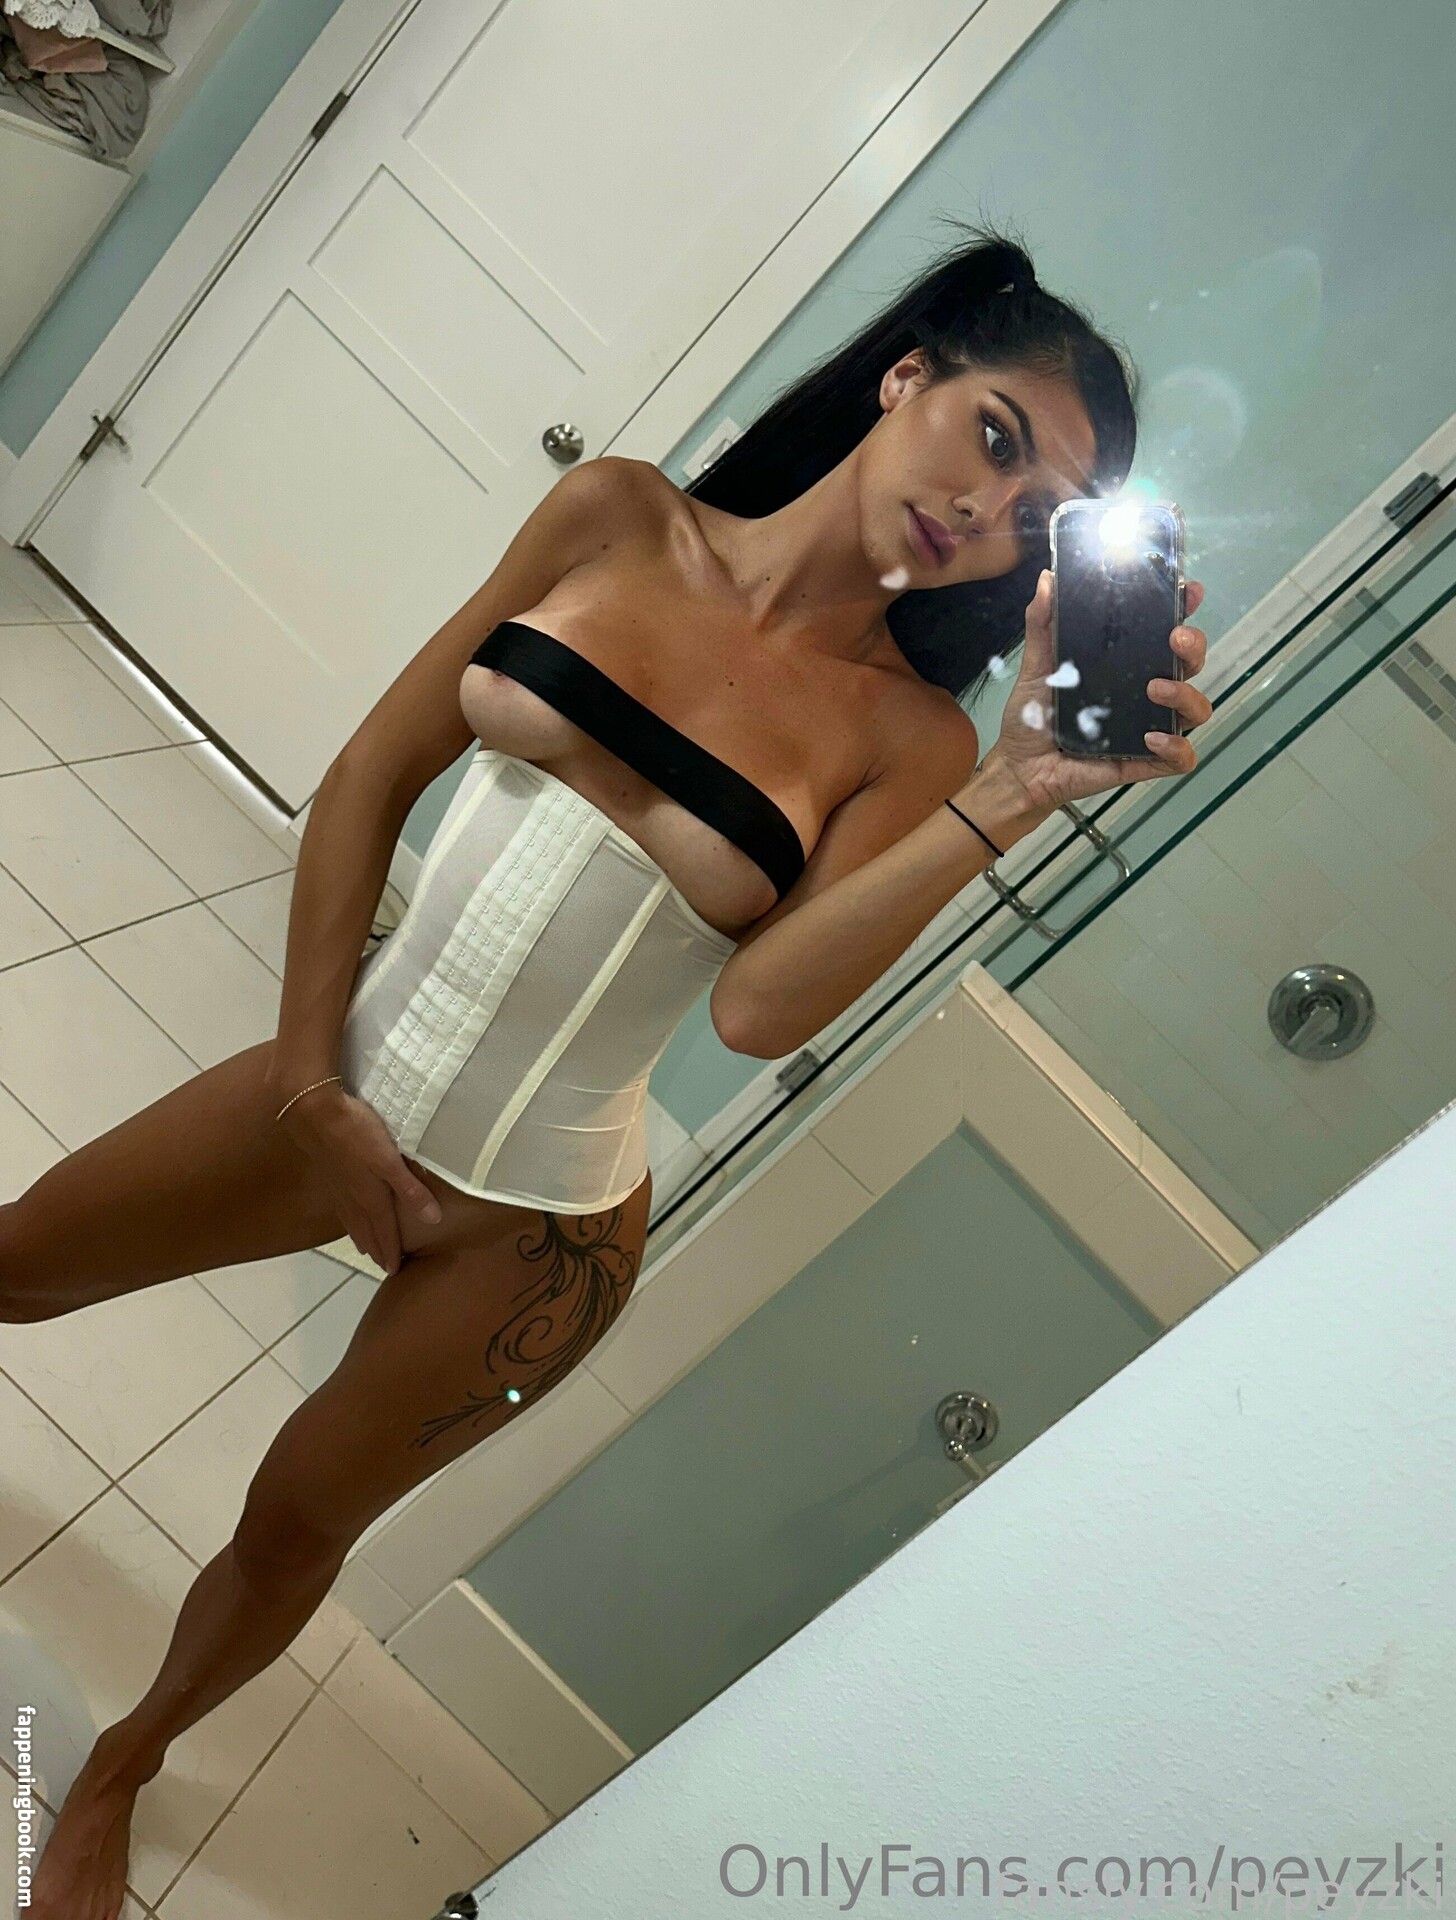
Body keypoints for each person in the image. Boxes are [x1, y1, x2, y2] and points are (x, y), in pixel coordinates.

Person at [7, 223, 1211, 1918]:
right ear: (907, 377)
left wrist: (1010, 792)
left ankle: (119, 1772)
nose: (988, 506)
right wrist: (307, 1085)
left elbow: (758, 1013)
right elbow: (371, 772)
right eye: (995, 436)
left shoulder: (915, 740)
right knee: (18, 1262)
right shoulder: (616, 517)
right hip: (332, 1080)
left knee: (293, 1525)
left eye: (1041, 511)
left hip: (539, 1233)